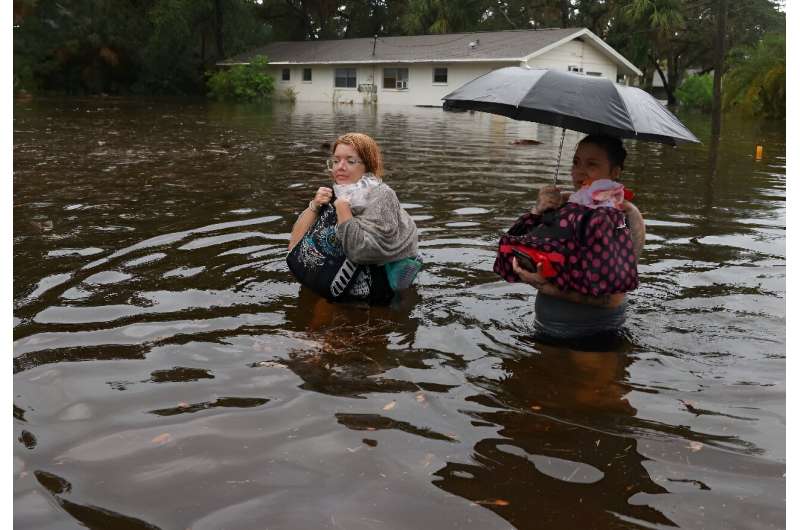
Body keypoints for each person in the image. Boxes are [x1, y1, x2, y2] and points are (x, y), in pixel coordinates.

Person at [496, 134, 645, 339]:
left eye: (591, 164)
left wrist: (546, 287)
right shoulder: (563, 202)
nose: (579, 172)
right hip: (545, 326)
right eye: (576, 162)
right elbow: (521, 246)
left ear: (615, 172)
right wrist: (538, 211)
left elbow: (611, 298)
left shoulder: (624, 215)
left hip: (596, 333)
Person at [287, 132, 420, 305]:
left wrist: (343, 209)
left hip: (374, 297)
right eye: (336, 161)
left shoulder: (381, 195)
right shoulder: (337, 192)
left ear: (368, 165)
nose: (340, 167)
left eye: (350, 161)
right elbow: (294, 247)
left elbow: (362, 252)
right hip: (334, 286)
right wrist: (314, 206)